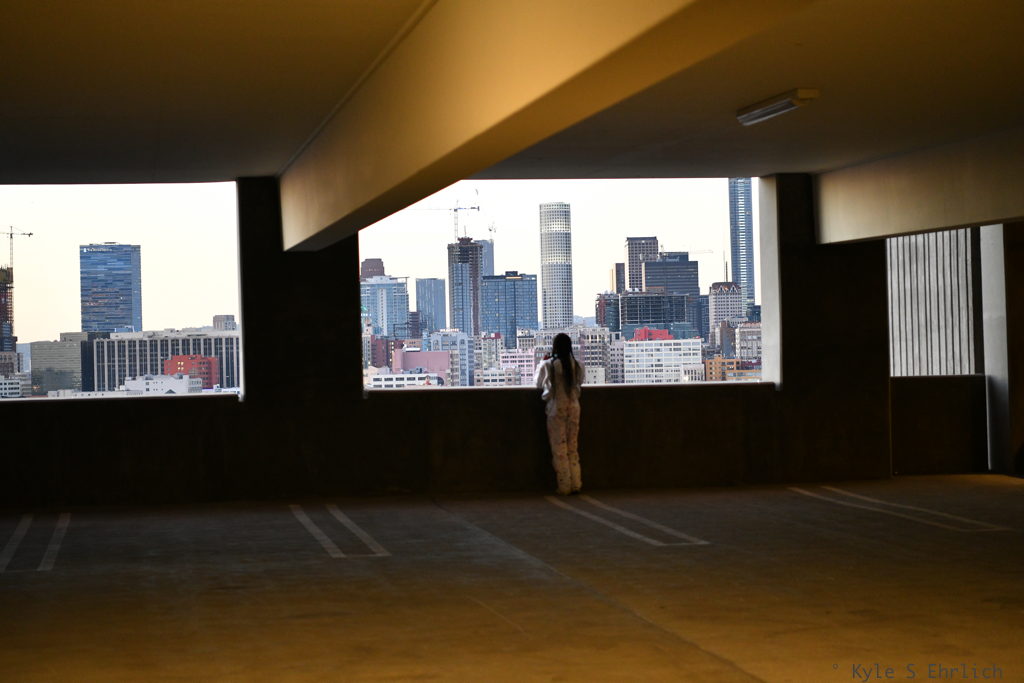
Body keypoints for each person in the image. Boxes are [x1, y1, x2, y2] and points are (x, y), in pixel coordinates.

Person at [534, 333, 583, 495]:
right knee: (573, 447)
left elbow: (538, 383)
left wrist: (542, 362)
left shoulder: (549, 365)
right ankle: (576, 483)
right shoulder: (577, 365)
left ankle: (564, 485)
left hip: (557, 409)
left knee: (559, 448)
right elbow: (580, 383)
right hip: (574, 408)